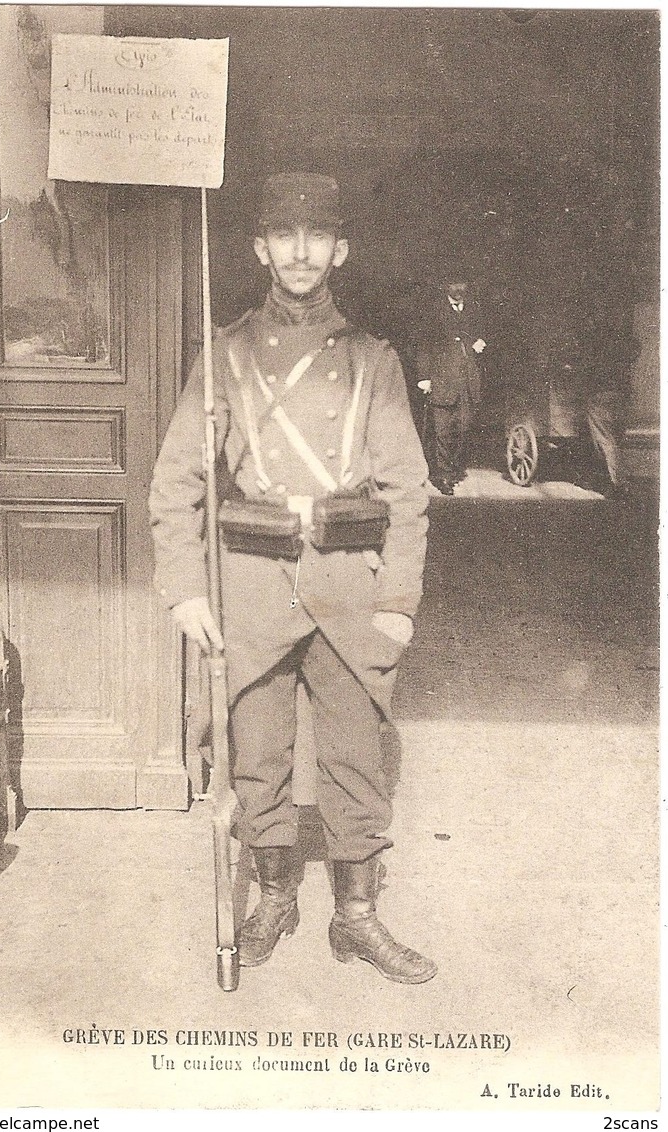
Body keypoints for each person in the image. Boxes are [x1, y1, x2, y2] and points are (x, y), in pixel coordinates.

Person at [149, 172, 437, 984]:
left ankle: (358, 918)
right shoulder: (227, 353)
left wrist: (399, 604)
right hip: (253, 582)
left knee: (356, 757)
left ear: (339, 250)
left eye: (317, 237)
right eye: (285, 236)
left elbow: (407, 490)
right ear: (261, 249)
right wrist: (186, 589)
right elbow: (177, 481)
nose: (301, 252)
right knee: (260, 755)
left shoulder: (374, 362)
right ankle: (276, 898)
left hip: (349, 583)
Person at [415, 277, 486, 494]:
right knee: (442, 432)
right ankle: (442, 476)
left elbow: (479, 335)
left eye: (463, 284)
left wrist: (479, 341)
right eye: (454, 285)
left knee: (463, 429)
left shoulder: (473, 310)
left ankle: (453, 470)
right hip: (442, 380)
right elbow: (423, 345)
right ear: (445, 287)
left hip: (467, 382)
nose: (459, 289)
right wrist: (424, 377)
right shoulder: (433, 312)